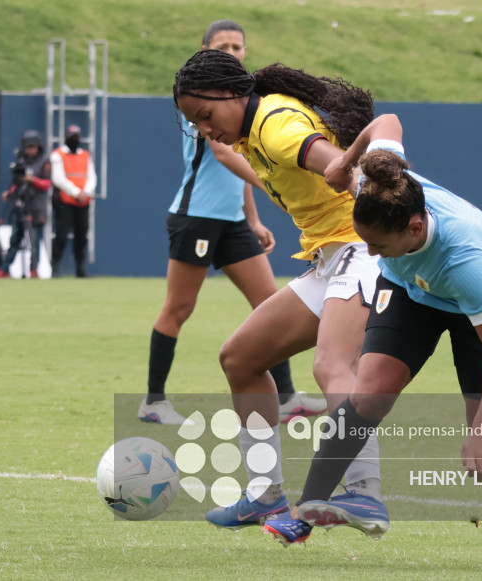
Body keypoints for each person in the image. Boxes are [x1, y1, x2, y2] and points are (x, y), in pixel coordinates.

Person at [263, 114, 482, 572]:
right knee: (368, 395)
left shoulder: (465, 261)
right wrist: (345, 165)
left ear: (416, 229)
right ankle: (305, 513)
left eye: (379, 246)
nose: (373, 254)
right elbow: (387, 120)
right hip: (410, 291)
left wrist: (479, 429)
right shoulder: (379, 183)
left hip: (476, 304)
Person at [173, 50, 385, 533]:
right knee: (241, 358)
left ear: (232, 93)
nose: (204, 129)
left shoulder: (276, 126)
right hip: (330, 259)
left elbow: (344, 169)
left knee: (332, 366)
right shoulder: (251, 134)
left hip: (363, 249)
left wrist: (386, 229)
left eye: (205, 116)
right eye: (195, 124)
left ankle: (365, 492)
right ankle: (265, 495)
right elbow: (267, 172)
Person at [137, 19, 326, 425]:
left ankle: (289, 397)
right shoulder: (201, 103)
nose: (233, 51)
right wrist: (278, 183)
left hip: (233, 221)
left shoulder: (241, 109)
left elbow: (242, 162)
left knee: (268, 303)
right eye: (223, 45)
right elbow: (226, 158)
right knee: (179, 308)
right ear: (204, 49)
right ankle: (153, 401)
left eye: (238, 46)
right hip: (197, 218)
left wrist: (253, 220)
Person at [0, 130, 51, 279]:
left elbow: (47, 184)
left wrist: (32, 179)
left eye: (33, 146)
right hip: (21, 205)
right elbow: (16, 182)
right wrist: (10, 194)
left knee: (34, 241)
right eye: (28, 147)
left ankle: (34, 271)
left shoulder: (44, 161)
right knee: (14, 239)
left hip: (36, 207)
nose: (30, 150)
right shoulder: (20, 160)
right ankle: (4, 270)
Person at [50, 124, 97, 277]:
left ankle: (80, 268)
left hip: (83, 202)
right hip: (65, 201)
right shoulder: (58, 154)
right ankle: (55, 266)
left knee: (81, 235)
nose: (74, 140)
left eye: (76, 137)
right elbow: (58, 179)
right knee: (61, 235)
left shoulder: (85, 155)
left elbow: (92, 177)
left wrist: (86, 193)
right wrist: (76, 192)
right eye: (72, 137)